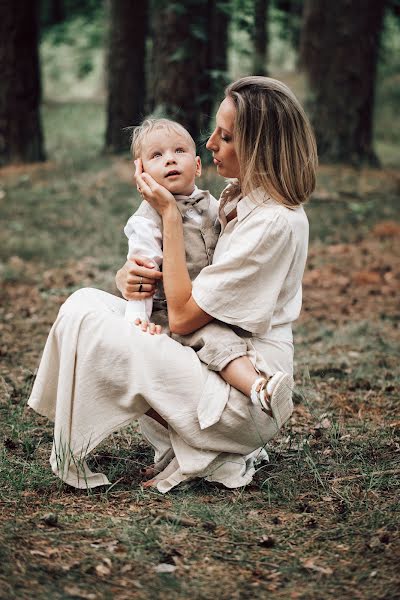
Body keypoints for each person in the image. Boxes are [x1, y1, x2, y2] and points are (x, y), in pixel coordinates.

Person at [28, 76, 317, 493]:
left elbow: (182, 318)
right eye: (214, 130)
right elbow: (186, 281)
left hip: (243, 394)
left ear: (259, 147)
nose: (210, 143)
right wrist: (128, 280)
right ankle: (194, 444)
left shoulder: (273, 223)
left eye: (227, 136)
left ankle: (219, 450)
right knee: (83, 304)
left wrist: (167, 215)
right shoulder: (242, 200)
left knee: (94, 323)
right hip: (208, 354)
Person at [123, 117, 293, 419]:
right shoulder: (147, 219)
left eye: (179, 151)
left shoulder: (215, 205)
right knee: (218, 341)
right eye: (156, 156)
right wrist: (138, 318)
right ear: (142, 174)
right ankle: (259, 389)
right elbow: (142, 269)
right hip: (173, 311)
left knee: (229, 338)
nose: (170, 159)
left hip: (209, 302)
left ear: (198, 166)